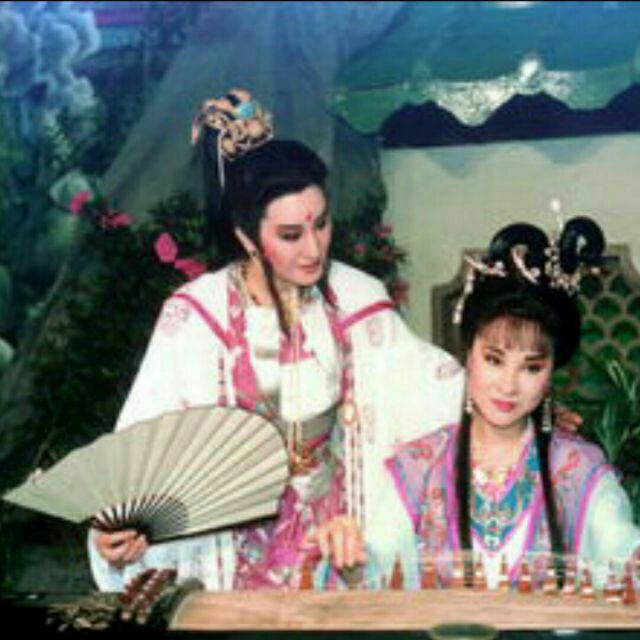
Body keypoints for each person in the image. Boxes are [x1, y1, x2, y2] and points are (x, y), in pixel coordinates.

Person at [88, 89, 464, 591]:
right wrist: (122, 527)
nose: (314, 249)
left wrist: (509, 402)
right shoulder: (197, 317)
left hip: (337, 540)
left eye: (322, 224)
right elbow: (142, 449)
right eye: (290, 235)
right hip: (233, 554)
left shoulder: (357, 298)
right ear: (247, 236)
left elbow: (435, 394)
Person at [384, 217, 640, 590]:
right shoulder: (419, 466)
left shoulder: (576, 470)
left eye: (531, 367)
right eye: (494, 359)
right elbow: (374, 559)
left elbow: (621, 548)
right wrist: (346, 550)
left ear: (552, 373)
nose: (508, 385)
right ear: (467, 354)